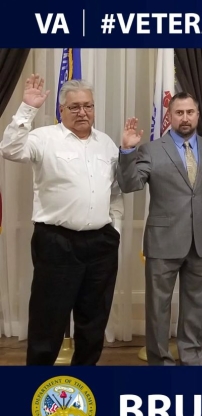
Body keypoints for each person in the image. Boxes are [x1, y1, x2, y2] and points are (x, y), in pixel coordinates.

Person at [0, 75, 123, 365]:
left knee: (93, 322)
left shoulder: (105, 143)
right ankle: (37, 392)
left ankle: (84, 386)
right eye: (75, 107)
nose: (83, 112)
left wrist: (115, 228)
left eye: (88, 106)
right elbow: (9, 150)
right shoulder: (43, 138)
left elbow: (114, 191)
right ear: (61, 110)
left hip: (101, 244)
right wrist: (27, 109)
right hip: (57, 243)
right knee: (48, 321)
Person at [117, 92, 202, 366]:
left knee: (196, 309)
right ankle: (161, 364)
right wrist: (128, 151)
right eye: (179, 113)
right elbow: (130, 184)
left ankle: (192, 361)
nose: (185, 118)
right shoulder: (152, 150)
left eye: (190, 112)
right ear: (170, 116)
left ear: (198, 115)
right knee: (158, 309)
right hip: (163, 242)